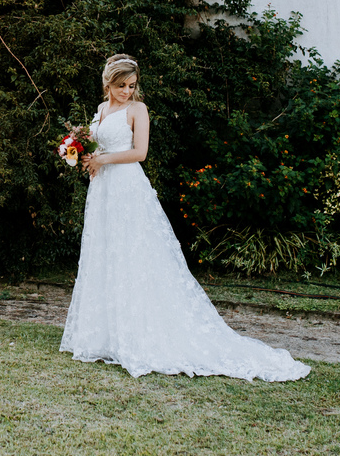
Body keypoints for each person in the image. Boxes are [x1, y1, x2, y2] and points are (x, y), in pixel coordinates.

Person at [60, 53, 311, 381]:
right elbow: (99, 142)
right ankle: (107, 336)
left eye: (131, 85)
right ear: (109, 83)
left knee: (132, 255)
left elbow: (140, 152)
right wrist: (81, 152)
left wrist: (103, 160)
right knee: (106, 253)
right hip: (103, 189)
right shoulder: (102, 109)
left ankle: (140, 334)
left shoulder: (138, 110)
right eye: (121, 85)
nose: (127, 91)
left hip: (126, 188)